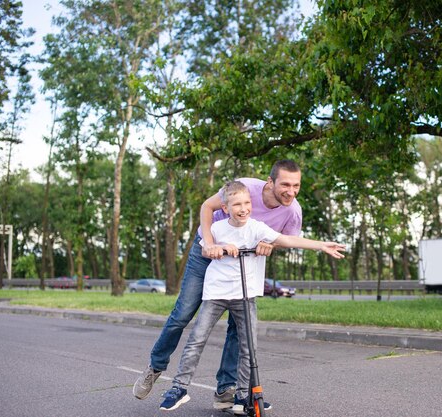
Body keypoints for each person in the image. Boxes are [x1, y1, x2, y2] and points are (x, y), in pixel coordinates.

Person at [158, 181, 345, 413]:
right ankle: (179, 388)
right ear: (225, 208)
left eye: (247, 203)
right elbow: (206, 248)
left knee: (249, 347)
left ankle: (243, 395)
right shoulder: (216, 229)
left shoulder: (257, 228)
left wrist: (320, 245)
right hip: (216, 294)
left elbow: (286, 240)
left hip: (244, 296)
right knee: (197, 339)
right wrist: (218, 247)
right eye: (237, 204)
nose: (244, 208)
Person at [133, 160, 303, 411]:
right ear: (271, 183)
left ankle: (226, 390)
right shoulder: (245, 188)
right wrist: (210, 243)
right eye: (286, 185)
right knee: (183, 314)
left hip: (239, 265)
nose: (291, 191)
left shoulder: (292, 211)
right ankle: (155, 367)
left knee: (238, 327)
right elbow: (206, 206)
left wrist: (271, 246)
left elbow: (287, 240)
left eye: (296, 185)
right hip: (207, 254)